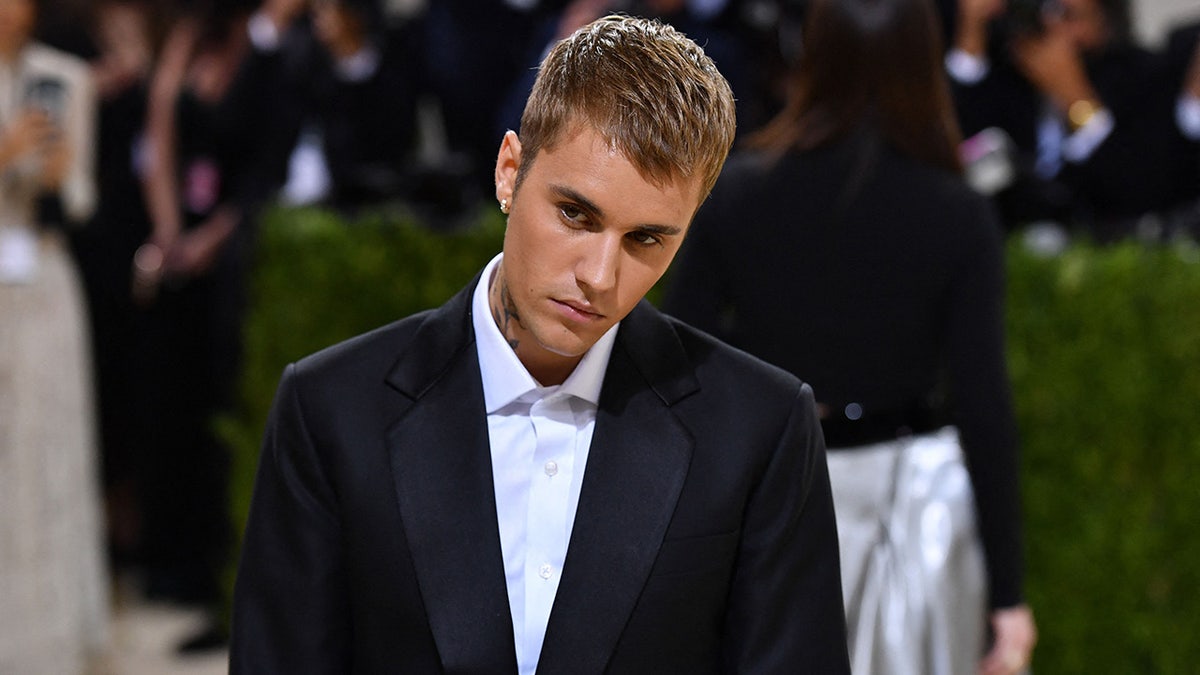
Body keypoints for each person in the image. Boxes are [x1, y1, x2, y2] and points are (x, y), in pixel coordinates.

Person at [231, 14, 850, 674]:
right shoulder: (331, 412)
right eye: (576, 215)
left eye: (646, 239)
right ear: (509, 171)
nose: (600, 277)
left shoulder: (759, 429)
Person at [662, 0, 1037, 672]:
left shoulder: (735, 193)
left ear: (813, 51)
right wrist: (1008, 596)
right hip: (915, 507)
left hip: (768, 503)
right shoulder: (958, 212)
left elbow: (676, 380)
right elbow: (984, 404)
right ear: (925, 59)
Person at [0, 0, 108, 670]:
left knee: (53, 450)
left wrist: (62, 174)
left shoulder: (68, 78)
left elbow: (86, 198)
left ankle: (55, 635)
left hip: (45, 277)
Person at [946, 0, 1178, 240]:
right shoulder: (1005, 73)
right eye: (1042, 11)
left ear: (1105, 22)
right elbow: (955, 148)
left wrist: (1075, 99)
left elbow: (1139, 190)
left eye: (1067, 15)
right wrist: (970, 42)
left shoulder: (1143, 76)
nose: (1050, 28)